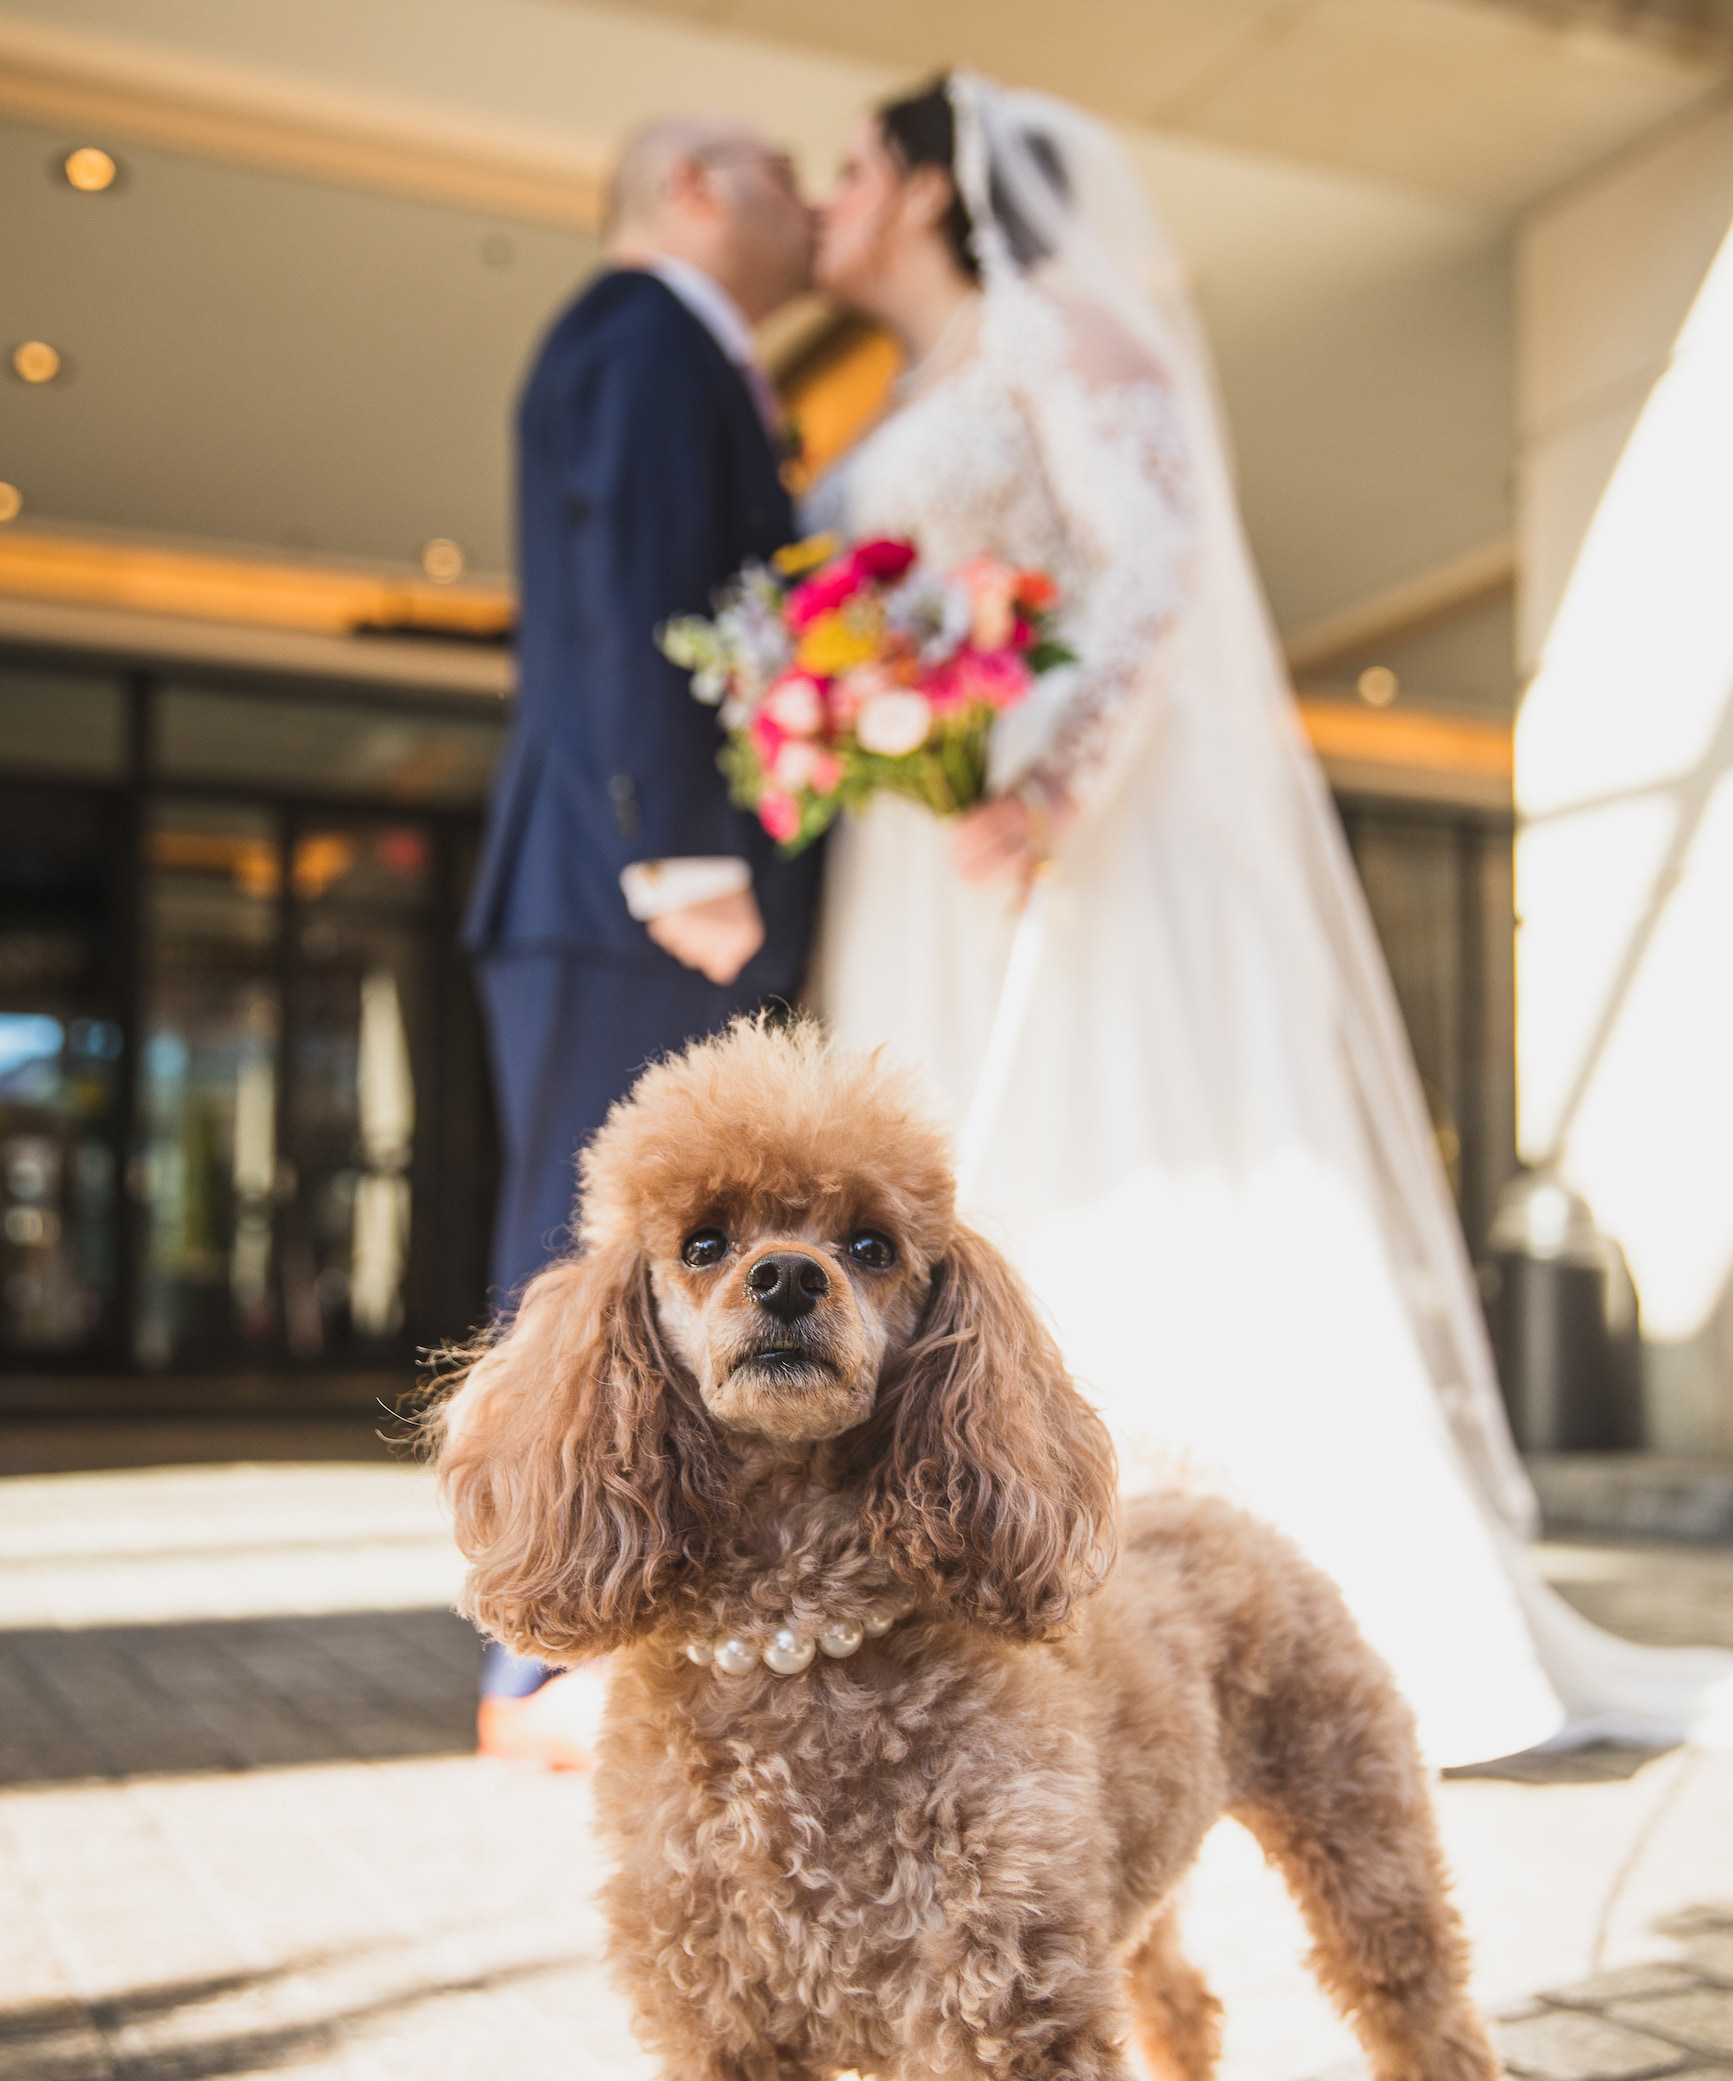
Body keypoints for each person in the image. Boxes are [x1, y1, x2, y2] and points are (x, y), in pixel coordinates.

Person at [807, 72, 1732, 1771]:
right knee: (965, 1195)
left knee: (1123, 1179)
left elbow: (1154, 558)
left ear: (939, 186)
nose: (828, 194)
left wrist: (1050, 785)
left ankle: (1265, 1630)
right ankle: (990, 1607)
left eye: (857, 165)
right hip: (925, 842)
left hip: (1066, 851)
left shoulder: (1061, 327)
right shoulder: (917, 375)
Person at [463, 114, 821, 1760]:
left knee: (605, 1253)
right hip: (634, 886)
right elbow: (623, 591)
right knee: (584, 1266)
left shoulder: (693, 351)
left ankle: (578, 1638)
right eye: (782, 179)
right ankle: (538, 1658)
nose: (810, 209)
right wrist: (676, 845)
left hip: (631, 889)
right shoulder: (638, 334)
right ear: (693, 191)